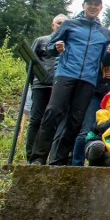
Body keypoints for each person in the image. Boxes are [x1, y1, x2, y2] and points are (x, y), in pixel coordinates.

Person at [28, 0, 110, 165]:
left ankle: (58, 160)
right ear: (83, 5)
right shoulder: (69, 24)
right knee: (52, 113)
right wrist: (56, 47)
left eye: (97, 4)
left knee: (75, 121)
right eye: (90, 3)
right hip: (66, 73)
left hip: (88, 80)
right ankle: (37, 158)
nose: (93, 7)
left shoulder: (104, 33)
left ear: (101, 8)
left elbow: (106, 61)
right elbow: (50, 47)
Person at [70, 20, 110, 166]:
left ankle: (96, 162)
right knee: (87, 128)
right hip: (95, 93)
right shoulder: (100, 47)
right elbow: (104, 62)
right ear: (109, 32)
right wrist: (109, 52)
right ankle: (76, 164)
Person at [24, 13, 67, 161]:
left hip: (61, 87)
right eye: (59, 23)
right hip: (41, 85)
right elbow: (30, 62)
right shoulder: (41, 41)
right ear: (53, 25)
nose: (61, 26)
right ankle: (31, 157)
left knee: (55, 122)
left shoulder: (70, 43)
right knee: (36, 120)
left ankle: (52, 158)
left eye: (64, 23)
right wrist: (33, 81)